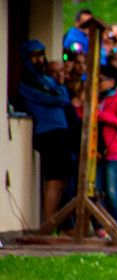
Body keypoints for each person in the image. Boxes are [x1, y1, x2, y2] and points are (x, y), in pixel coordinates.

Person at [16, 41, 74, 227]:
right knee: (54, 180)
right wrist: (59, 89)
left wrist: (59, 86)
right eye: (35, 56)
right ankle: (49, 223)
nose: (39, 60)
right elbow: (55, 98)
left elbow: (63, 98)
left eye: (41, 55)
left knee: (63, 180)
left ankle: (58, 223)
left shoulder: (46, 79)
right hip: (48, 133)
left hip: (60, 131)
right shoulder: (28, 81)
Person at [95, 63, 117, 230]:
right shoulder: (98, 97)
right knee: (98, 192)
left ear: (111, 81)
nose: (98, 83)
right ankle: (102, 227)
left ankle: (116, 227)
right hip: (99, 152)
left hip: (116, 152)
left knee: (113, 193)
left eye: (101, 80)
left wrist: (102, 116)